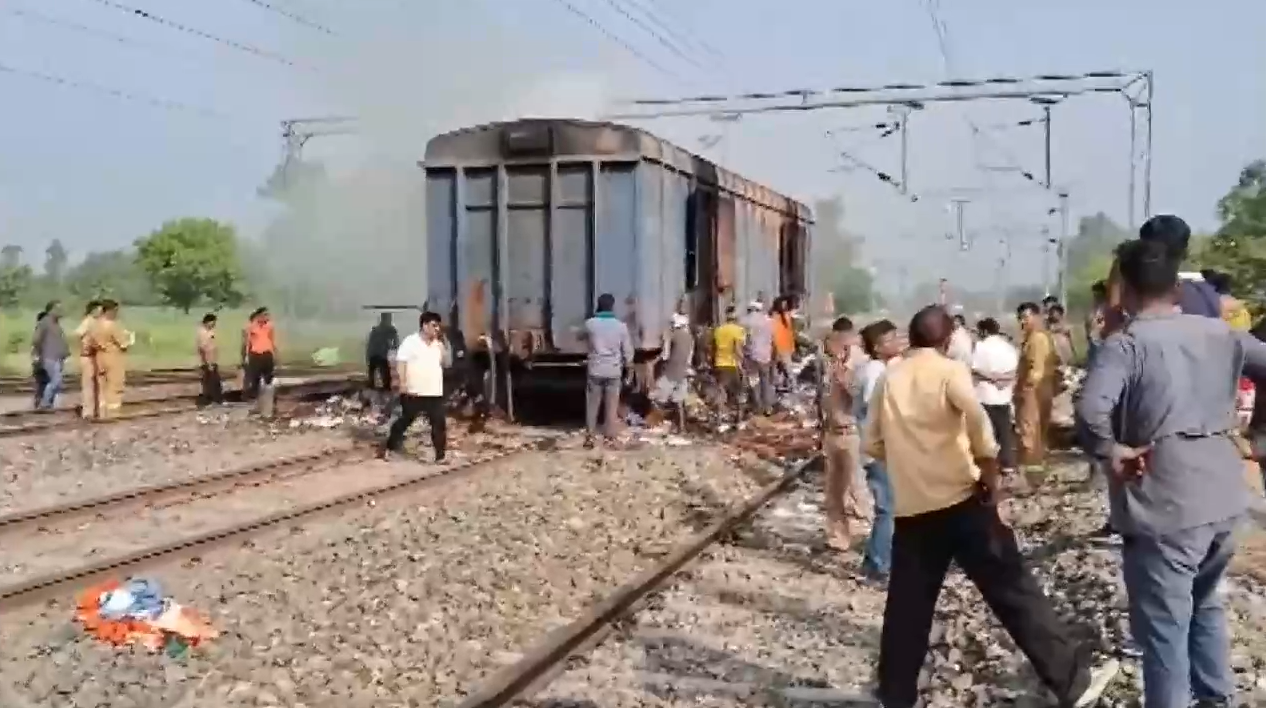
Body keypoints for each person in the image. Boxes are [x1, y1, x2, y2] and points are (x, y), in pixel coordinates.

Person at [864, 305, 1118, 708]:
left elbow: (872, 444)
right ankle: (1072, 684)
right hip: (964, 503)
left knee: (907, 610)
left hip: (912, 512)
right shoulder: (950, 373)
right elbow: (983, 437)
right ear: (948, 340)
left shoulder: (889, 380)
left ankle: (895, 696)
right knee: (1013, 591)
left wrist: (910, 462)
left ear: (912, 338)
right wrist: (992, 484)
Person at [1077, 238, 1266, 708]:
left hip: (1165, 498)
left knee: (1163, 628)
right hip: (1223, 494)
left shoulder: (1126, 346)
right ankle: (1217, 698)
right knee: (1204, 603)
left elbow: (1089, 413)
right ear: (1175, 290)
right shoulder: (1221, 334)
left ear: (1125, 289)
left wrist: (1113, 451)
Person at [1104, 215, 1221, 335]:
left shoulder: (1139, 295)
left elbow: (1111, 328)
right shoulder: (1206, 295)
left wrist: (1119, 268)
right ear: (1185, 252)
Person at [855, 318, 901, 581]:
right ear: (878, 346)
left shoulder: (876, 368)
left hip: (877, 448)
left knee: (887, 507)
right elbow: (877, 410)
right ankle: (879, 566)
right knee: (887, 508)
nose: (897, 343)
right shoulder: (874, 371)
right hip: (877, 450)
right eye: (891, 339)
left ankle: (874, 560)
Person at [380, 311, 451, 462]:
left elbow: (445, 363)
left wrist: (442, 347)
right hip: (414, 391)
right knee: (406, 420)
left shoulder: (437, 345)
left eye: (438, 326)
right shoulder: (410, 342)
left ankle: (440, 456)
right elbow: (401, 363)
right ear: (424, 326)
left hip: (434, 391)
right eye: (433, 325)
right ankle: (390, 448)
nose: (437, 329)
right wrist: (403, 383)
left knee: (439, 423)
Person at [822, 316, 863, 552]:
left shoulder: (859, 363)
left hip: (852, 432)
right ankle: (837, 536)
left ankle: (857, 533)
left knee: (854, 488)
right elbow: (825, 399)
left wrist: (842, 374)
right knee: (833, 490)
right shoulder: (831, 364)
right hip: (832, 432)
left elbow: (858, 394)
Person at [581, 293, 633, 447]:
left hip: (595, 369)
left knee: (592, 404)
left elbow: (581, 337)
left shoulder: (590, 324)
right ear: (612, 306)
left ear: (599, 305)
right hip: (613, 371)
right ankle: (610, 436)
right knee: (611, 405)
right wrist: (629, 368)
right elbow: (628, 351)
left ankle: (590, 435)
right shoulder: (621, 327)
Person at [1015, 301, 1059, 475]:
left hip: (1034, 389)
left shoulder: (1037, 339)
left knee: (1030, 430)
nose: (1023, 322)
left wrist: (1024, 389)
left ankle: (1031, 471)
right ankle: (1035, 468)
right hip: (1039, 388)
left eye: (1026, 317)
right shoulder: (1036, 337)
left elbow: (1036, 369)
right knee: (1037, 430)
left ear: (1036, 316)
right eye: (1020, 318)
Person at [972, 317, 1019, 475]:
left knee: (987, 433)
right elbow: (1014, 371)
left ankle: (991, 467)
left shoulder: (981, 346)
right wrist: (1002, 379)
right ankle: (1008, 465)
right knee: (1005, 431)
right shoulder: (1008, 347)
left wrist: (992, 377)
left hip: (985, 394)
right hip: (1004, 394)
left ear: (984, 331)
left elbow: (976, 368)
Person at [86, 299, 133, 420]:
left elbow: (91, 341)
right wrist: (130, 339)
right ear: (110, 310)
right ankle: (113, 412)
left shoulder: (95, 325)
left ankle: (101, 410)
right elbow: (123, 344)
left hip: (99, 357)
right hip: (113, 357)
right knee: (115, 384)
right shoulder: (113, 326)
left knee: (101, 385)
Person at [649, 312, 694, 431]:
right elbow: (689, 358)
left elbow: (665, 355)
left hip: (671, 372)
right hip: (683, 373)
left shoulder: (671, 335)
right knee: (679, 401)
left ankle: (655, 424)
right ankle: (682, 427)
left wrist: (654, 362)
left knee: (655, 398)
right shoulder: (690, 338)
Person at [31, 300, 69, 411]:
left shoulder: (56, 324)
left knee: (51, 382)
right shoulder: (44, 322)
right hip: (48, 356)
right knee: (56, 382)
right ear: (51, 310)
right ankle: (45, 403)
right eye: (58, 309)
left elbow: (60, 341)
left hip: (57, 357)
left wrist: (65, 354)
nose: (61, 311)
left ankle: (47, 405)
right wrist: (37, 354)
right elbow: (36, 339)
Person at [711, 306, 746, 424]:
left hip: (720, 363)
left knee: (721, 391)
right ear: (736, 317)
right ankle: (739, 419)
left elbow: (713, 348)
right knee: (738, 392)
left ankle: (719, 418)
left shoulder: (718, 330)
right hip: (733, 364)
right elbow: (737, 349)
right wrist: (742, 364)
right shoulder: (738, 330)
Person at [743, 300, 776, 416]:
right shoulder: (770, 322)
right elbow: (774, 339)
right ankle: (767, 407)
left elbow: (744, 340)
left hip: (751, 357)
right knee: (765, 382)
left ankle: (757, 407)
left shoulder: (745, 321)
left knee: (754, 382)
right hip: (766, 356)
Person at [73, 300, 102, 419]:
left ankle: (97, 409)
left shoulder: (98, 322)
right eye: (99, 310)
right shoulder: (88, 321)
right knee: (88, 384)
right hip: (88, 356)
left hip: (97, 356)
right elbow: (77, 334)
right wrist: (86, 345)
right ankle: (88, 412)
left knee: (98, 384)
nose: (101, 312)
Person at [242, 307, 277, 400]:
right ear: (259, 316)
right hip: (256, 354)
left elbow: (272, 340)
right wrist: (246, 355)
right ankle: (255, 397)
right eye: (265, 315)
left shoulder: (269, 326)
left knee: (269, 377)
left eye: (268, 315)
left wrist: (274, 353)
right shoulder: (251, 327)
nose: (267, 317)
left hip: (267, 353)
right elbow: (247, 342)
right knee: (255, 377)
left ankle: (268, 397)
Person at [366, 312, 399, 392]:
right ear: (388, 319)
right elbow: (396, 344)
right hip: (381, 355)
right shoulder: (391, 330)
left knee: (372, 376)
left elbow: (370, 344)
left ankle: (373, 389)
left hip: (373, 355)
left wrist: (367, 355)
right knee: (386, 377)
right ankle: (384, 390)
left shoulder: (375, 330)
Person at [196, 313, 223, 407]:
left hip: (212, 360)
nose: (214, 325)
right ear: (208, 322)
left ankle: (213, 400)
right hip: (208, 362)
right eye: (213, 322)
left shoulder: (210, 331)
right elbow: (202, 349)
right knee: (211, 382)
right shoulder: (202, 333)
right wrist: (208, 363)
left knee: (213, 382)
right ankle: (212, 401)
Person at [771, 296, 797, 389]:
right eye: (783, 304)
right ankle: (788, 385)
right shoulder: (781, 317)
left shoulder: (782, 317)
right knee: (783, 368)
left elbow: (789, 333)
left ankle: (788, 385)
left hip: (782, 347)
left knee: (782, 369)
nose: (785, 306)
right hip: (780, 347)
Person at [1085, 281, 1108, 364]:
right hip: (1092, 341)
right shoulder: (1094, 308)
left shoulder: (1107, 308)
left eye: (1098, 293)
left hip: (1102, 342)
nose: (1095, 296)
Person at [31, 309, 50, 409]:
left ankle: (40, 401)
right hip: (42, 359)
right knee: (43, 381)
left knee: (43, 381)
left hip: (41, 359)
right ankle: (41, 402)